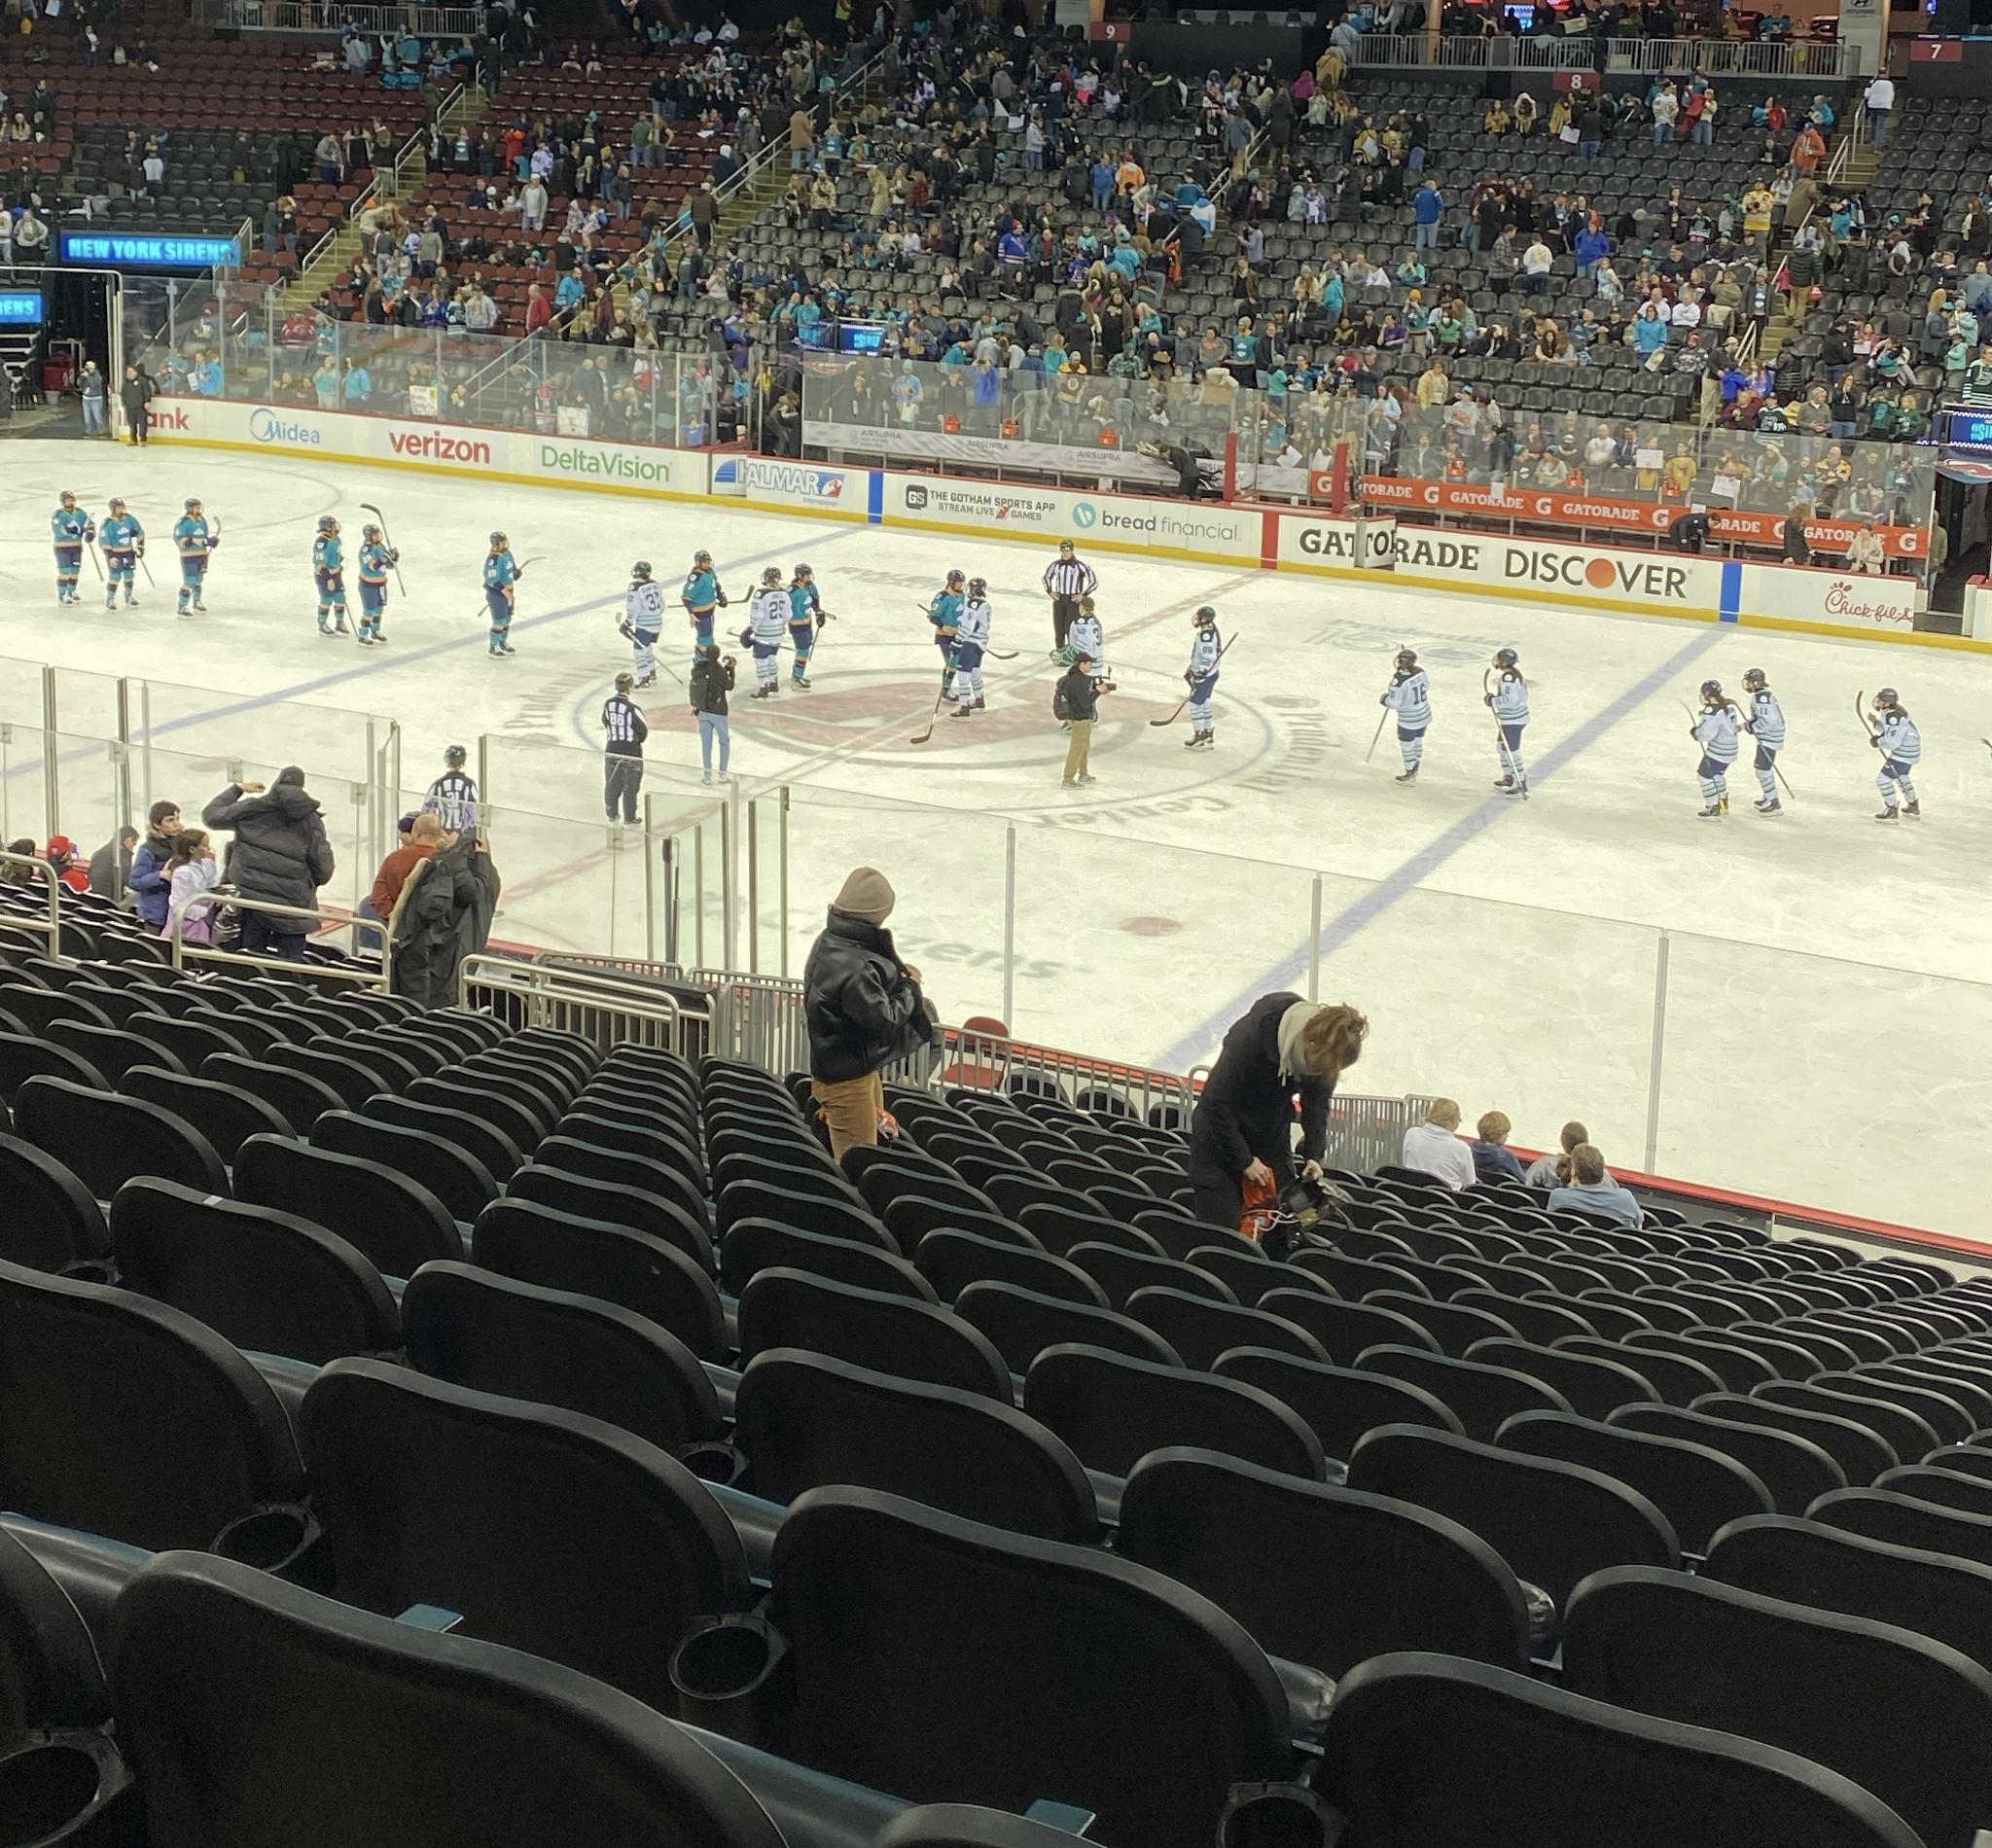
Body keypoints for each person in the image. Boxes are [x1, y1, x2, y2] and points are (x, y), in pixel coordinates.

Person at [1186, 995, 1369, 1245]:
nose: (1324, 1074)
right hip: (1218, 1137)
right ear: (1311, 1043)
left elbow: (1316, 1106)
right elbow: (1216, 1102)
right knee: (1221, 1234)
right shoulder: (1250, 1039)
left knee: (1288, 1226)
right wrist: (1245, 1160)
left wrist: (1314, 1155)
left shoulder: (1323, 1060)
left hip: (1270, 1134)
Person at [801, 866, 934, 1158]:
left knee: (870, 1150)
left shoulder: (830, 940)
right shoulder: (855, 965)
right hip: (846, 1084)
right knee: (856, 1164)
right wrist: (910, 988)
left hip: (855, 1071)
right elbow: (884, 1021)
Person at [200, 767, 336, 962]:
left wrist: (238, 789)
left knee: (251, 962)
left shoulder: (252, 808)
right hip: (294, 907)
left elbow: (211, 816)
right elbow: (323, 868)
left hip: (253, 903)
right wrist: (308, 883)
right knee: (291, 965)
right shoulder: (312, 821)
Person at [387, 829, 501, 1009]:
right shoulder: (489, 879)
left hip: (437, 968)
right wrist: (482, 858)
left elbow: (429, 912)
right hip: (460, 967)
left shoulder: (446, 871)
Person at [1547, 1142, 1645, 1227]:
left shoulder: (1557, 1197)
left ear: (1574, 1173)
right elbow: (1639, 1223)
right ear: (1603, 1172)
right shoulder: (1626, 1199)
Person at [160, 828, 222, 946]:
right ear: (192, 849)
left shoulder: (209, 864)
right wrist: (204, 911)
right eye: (204, 845)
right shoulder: (182, 872)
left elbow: (214, 885)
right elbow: (178, 904)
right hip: (187, 922)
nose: (208, 848)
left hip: (207, 918)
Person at [1056, 652, 1110, 787]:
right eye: (1089, 663)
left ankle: (1083, 773)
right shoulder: (1078, 680)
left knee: (1083, 747)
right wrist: (1098, 691)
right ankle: (1068, 778)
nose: (1091, 666)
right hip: (1080, 718)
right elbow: (1085, 702)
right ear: (1082, 664)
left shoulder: (1075, 677)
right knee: (1077, 748)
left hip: (1080, 717)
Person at [1868, 686, 1922, 823]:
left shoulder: (1893, 716)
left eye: (1880, 700)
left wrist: (1878, 742)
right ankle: (1913, 805)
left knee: (1883, 780)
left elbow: (1892, 741)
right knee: (1901, 776)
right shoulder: (1894, 712)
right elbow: (1892, 731)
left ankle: (1891, 810)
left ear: (1887, 702)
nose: (1878, 702)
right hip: (1910, 752)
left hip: (1903, 753)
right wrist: (1876, 724)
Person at [602, 671, 649, 823]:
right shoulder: (632, 708)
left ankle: (612, 813)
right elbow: (643, 730)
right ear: (629, 688)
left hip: (612, 749)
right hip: (630, 751)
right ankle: (630, 817)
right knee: (630, 786)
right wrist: (634, 741)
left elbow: (605, 721)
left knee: (611, 783)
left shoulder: (608, 704)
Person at [1690, 678, 1740, 819]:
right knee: (1717, 776)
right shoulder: (1728, 708)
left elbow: (1706, 734)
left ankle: (1713, 806)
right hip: (1730, 751)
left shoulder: (1712, 712)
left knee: (1704, 777)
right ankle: (1723, 803)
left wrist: (1696, 733)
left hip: (1718, 752)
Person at [127, 800, 181, 930]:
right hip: (155, 916)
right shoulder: (147, 850)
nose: (177, 824)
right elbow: (134, 881)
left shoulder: (181, 844)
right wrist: (160, 875)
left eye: (177, 819)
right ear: (157, 824)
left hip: (177, 913)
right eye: (170, 820)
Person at [1400, 1097, 1476, 1190]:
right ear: (1450, 1122)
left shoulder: (1411, 1134)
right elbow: (1469, 1184)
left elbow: (1406, 1164)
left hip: (1411, 1194)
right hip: (1446, 1200)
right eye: (1458, 1119)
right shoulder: (1461, 1148)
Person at [1380, 645, 1430, 784]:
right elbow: (1426, 686)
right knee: (1417, 741)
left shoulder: (1398, 681)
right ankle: (1416, 766)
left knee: (1407, 745)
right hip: (1423, 714)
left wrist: (1385, 700)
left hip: (1409, 719)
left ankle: (1410, 773)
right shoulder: (1421, 672)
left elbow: (1394, 703)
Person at [1741, 666, 1786, 817]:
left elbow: (1769, 721)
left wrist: (1752, 728)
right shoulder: (1762, 695)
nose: (1747, 684)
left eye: (1749, 682)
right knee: (1764, 770)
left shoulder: (1762, 697)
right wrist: (1747, 725)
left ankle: (1773, 802)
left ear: (1757, 682)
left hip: (1770, 738)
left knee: (1762, 770)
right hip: (1769, 737)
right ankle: (1769, 796)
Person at [1041, 539, 1096, 655]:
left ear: (1072, 551)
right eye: (1062, 551)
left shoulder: (1080, 566)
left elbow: (1094, 581)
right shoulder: (1056, 565)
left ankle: (1072, 654)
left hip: (1073, 601)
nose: (1064, 553)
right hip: (1059, 600)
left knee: (1071, 629)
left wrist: (1083, 595)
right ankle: (1060, 654)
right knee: (1059, 629)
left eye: (1067, 550)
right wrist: (1050, 591)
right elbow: (1046, 577)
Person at [689, 642, 734, 783]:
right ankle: (722, 774)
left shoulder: (698, 669)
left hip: (702, 710)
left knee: (706, 744)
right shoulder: (719, 670)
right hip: (718, 711)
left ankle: (707, 776)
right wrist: (731, 670)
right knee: (724, 742)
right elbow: (729, 685)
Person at [1486, 646, 1529, 795]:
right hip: (1511, 718)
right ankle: (1508, 777)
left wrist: (1494, 701)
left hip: (1513, 720)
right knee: (1501, 747)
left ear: (1504, 662)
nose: (1497, 661)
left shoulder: (1508, 677)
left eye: (1499, 659)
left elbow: (1510, 700)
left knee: (1512, 751)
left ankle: (1520, 780)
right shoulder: (1514, 674)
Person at [744, 565, 789, 699]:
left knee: (760, 661)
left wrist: (751, 630)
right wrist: (780, 626)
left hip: (763, 634)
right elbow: (788, 614)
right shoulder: (785, 593)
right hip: (778, 633)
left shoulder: (761, 594)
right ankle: (774, 683)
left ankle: (763, 687)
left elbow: (757, 615)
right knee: (772, 658)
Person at [949, 576, 992, 717]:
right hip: (981, 644)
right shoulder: (985, 604)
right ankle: (979, 699)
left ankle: (963, 706)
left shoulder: (973, 603)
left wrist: (958, 641)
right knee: (975, 672)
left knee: (963, 675)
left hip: (970, 643)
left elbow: (968, 626)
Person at [1182, 604, 1222, 750]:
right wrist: (1192, 668)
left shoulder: (1206, 636)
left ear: (1204, 618)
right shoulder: (1210, 630)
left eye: (1199, 616)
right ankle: (1208, 732)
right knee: (1204, 702)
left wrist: (1200, 672)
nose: (1197, 619)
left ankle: (1199, 737)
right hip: (1212, 674)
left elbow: (1208, 657)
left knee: (1195, 704)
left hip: (1206, 676)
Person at [621, 558, 666, 689]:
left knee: (639, 651)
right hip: (657, 622)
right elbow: (662, 605)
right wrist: (654, 616)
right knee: (647, 647)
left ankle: (643, 677)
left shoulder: (634, 587)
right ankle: (652, 672)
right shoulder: (655, 584)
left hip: (644, 625)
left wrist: (627, 622)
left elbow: (633, 607)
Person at [682, 547, 728, 663]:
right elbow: (686, 597)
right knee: (706, 639)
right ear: (698, 563)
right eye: (704, 562)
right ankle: (702, 661)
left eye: (708, 562)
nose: (707, 564)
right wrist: (691, 613)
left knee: (707, 636)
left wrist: (720, 596)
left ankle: (703, 660)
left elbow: (715, 584)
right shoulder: (696, 577)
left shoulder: (710, 571)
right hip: (700, 614)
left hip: (710, 611)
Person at [51, 491, 94, 608]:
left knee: (75, 571)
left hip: (76, 547)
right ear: (63, 501)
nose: (70, 501)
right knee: (65, 572)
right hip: (62, 548)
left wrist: (90, 533)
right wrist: (71, 530)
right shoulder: (58, 514)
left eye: (71, 499)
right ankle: (62, 595)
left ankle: (71, 591)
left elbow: (89, 524)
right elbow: (59, 529)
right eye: (68, 499)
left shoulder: (80, 513)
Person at [173, 498, 217, 615]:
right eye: (196, 507)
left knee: (198, 580)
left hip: (202, 555)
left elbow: (205, 537)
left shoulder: (202, 520)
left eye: (199, 507)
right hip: (189, 557)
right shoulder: (183, 522)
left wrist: (211, 541)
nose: (198, 509)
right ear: (189, 508)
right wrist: (191, 541)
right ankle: (182, 606)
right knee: (190, 581)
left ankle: (196, 602)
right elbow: (179, 538)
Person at [356, 523, 397, 646]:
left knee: (378, 610)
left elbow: (388, 566)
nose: (378, 536)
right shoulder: (366, 550)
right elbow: (373, 566)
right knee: (369, 611)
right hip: (369, 586)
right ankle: (363, 635)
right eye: (375, 534)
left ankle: (376, 631)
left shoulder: (380, 546)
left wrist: (393, 559)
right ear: (369, 536)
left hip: (381, 584)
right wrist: (384, 559)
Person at [424, 744, 480, 834]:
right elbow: (475, 811)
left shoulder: (438, 784)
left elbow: (427, 810)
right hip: (463, 836)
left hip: (442, 834)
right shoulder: (469, 784)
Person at [787, 562, 826, 691]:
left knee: (805, 647)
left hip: (807, 623)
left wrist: (818, 611)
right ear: (799, 575)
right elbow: (785, 607)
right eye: (807, 575)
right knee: (803, 650)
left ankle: (797, 674)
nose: (809, 577)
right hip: (797, 625)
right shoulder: (792, 591)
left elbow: (815, 599)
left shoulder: (810, 586)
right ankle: (797, 677)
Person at [99, 497, 144, 611]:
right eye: (118, 508)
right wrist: (110, 556)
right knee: (115, 576)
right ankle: (110, 599)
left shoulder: (129, 519)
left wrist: (140, 546)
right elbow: (104, 540)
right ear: (113, 509)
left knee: (129, 575)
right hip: (115, 554)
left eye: (122, 507)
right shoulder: (107, 523)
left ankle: (129, 597)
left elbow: (140, 532)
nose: (121, 510)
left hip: (128, 552)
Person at [483, 531, 522, 657]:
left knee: (507, 619)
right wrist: (503, 590)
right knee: (499, 620)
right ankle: (493, 645)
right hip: (497, 594)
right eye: (503, 541)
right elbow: (491, 578)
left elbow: (512, 570)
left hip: (508, 592)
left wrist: (516, 573)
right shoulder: (494, 559)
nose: (505, 542)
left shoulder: (507, 554)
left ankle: (502, 641)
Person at [312, 515, 349, 637]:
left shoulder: (336, 539)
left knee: (340, 598)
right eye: (333, 525)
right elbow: (320, 566)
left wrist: (338, 564)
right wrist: (328, 578)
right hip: (324, 576)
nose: (336, 527)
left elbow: (336, 555)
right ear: (327, 528)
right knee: (326, 599)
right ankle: (322, 624)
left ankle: (339, 622)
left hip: (336, 574)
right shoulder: (321, 543)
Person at [1471, 1109, 1526, 1184]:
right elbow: (1524, 1181)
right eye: (1505, 1132)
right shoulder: (1505, 1156)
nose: (1507, 1135)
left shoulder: (1470, 1149)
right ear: (1498, 1133)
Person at [87, 826, 137, 904]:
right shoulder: (122, 853)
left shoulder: (99, 852)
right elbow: (130, 881)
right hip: (112, 900)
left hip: (96, 899)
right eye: (134, 842)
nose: (134, 846)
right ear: (128, 840)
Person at [120, 363, 156, 444]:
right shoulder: (126, 382)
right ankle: (133, 439)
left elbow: (147, 392)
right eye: (128, 372)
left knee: (143, 424)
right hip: (130, 407)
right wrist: (124, 403)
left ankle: (143, 439)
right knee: (132, 425)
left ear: (136, 372)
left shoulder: (143, 381)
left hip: (140, 407)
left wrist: (147, 401)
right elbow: (123, 393)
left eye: (131, 372)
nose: (129, 374)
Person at [79, 361, 108, 437]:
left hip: (96, 399)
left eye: (90, 368)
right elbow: (78, 383)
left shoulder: (97, 375)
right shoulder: (84, 375)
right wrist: (82, 377)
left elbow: (94, 384)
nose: (89, 370)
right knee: (87, 418)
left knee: (97, 416)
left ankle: (101, 431)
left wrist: (88, 377)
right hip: (86, 399)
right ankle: (88, 432)